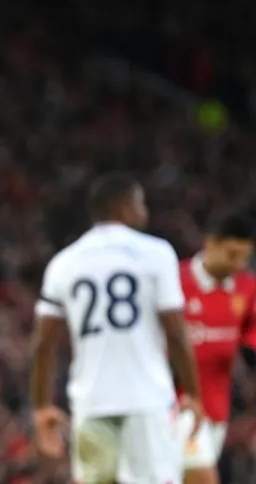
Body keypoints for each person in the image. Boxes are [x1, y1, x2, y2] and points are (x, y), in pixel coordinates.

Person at [29, 173, 204, 484]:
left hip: (91, 401)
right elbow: (176, 333)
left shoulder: (63, 263)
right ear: (124, 207)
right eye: (141, 205)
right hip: (146, 399)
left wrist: (41, 406)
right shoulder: (156, 253)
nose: (145, 212)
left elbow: (44, 342)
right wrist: (191, 391)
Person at [174, 213, 256, 484]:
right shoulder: (175, 281)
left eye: (244, 257)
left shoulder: (247, 287)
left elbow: (250, 346)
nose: (238, 264)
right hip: (177, 406)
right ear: (211, 244)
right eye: (232, 255)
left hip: (217, 411)